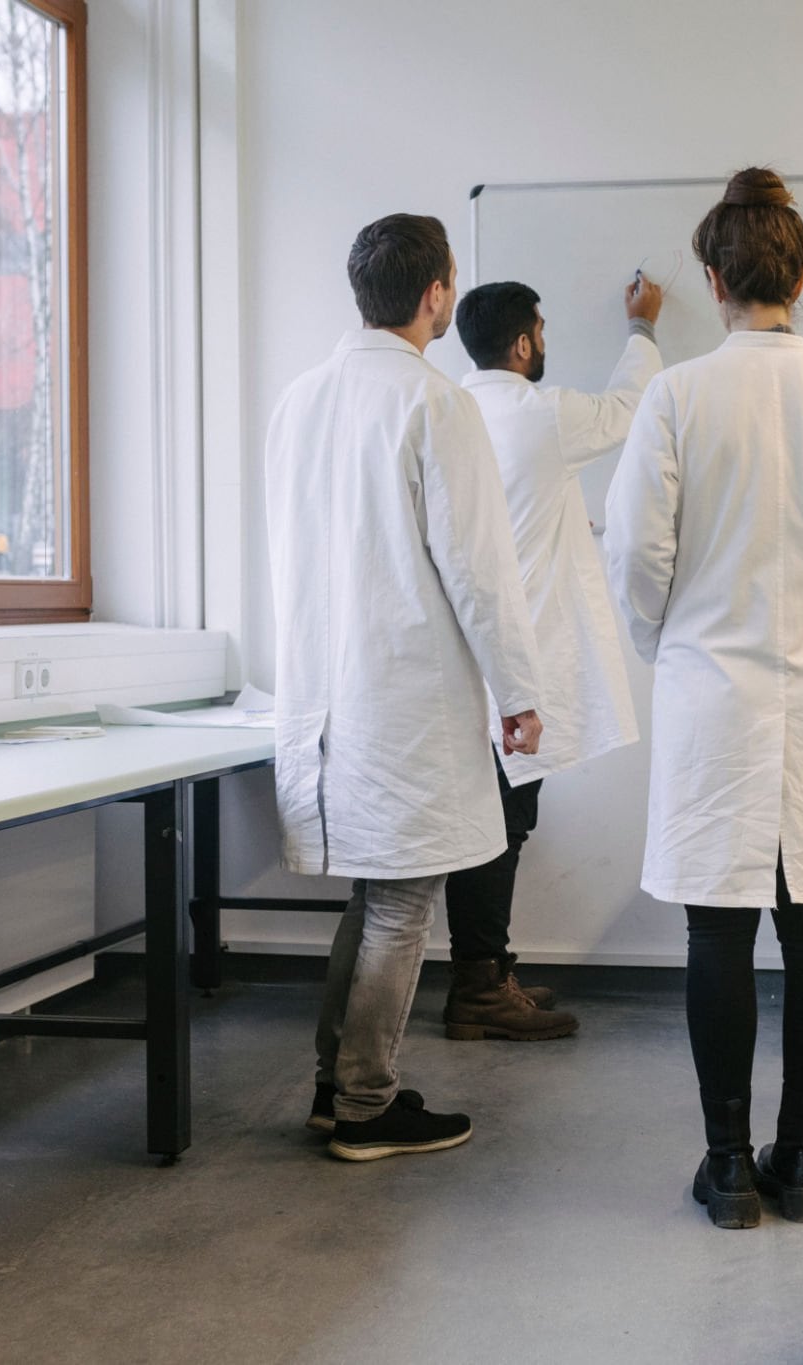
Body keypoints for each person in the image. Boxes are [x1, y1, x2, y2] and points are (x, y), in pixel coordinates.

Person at [604, 168, 803, 1229]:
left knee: (717, 933)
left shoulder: (678, 395)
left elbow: (635, 556)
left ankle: (728, 1168)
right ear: (800, 275)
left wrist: (670, 637)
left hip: (711, 693)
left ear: (711, 276)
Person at [265, 212, 543, 1161]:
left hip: (324, 692)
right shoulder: (437, 403)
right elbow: (478, 569)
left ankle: (331, 1087)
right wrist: (518, 688)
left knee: (375, 893)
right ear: (437, 294)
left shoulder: (299, 399)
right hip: (404, 695)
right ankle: (368, 1104)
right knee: (401, 900)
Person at [442, 277, 666, 1042]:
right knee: (499, 827)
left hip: (465, 658)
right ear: (524, 343)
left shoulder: (452, 410)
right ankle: (477, 988)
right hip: (515, 657)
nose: (546, 341)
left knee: (498, 822)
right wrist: (640, 326)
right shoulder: (538, 414)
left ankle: (489, 971)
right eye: (541, 329)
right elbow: (628, 410)